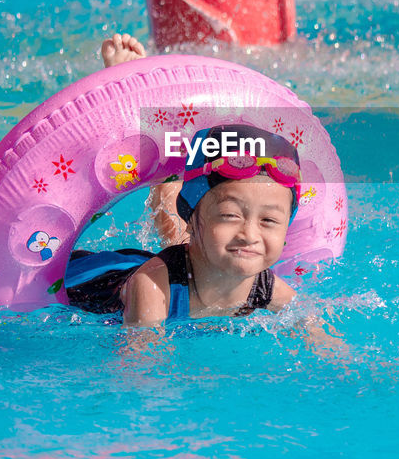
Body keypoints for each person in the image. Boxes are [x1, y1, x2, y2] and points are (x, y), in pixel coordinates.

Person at [65, 35, 300, 326]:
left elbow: (316, 333)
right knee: (185, 238)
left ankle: (168, 157)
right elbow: (140, 360)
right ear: (190, 218)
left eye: (269, 221)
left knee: (194, 241)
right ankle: (132, 93)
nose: (249, 234)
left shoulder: (264, 286)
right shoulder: (150, 287)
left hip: (191, 261)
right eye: (230, 215)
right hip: (91, 276)